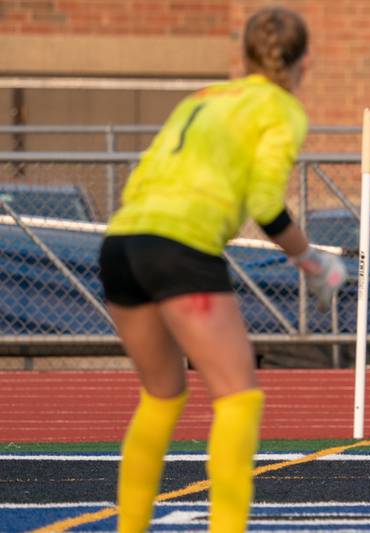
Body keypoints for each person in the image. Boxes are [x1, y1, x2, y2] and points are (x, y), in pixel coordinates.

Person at [98, 7, 345, 532]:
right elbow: (264, 200)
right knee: (238, 398)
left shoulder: (203, 97)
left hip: (121, 242)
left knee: (162, 395)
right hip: (180, 247)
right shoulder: (282, 108)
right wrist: (311, 261)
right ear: (306, 61)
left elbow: (148, 172)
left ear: (243, 55)